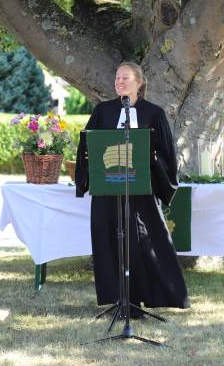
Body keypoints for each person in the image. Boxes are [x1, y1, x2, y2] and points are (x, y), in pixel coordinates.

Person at [75, 61, 190, 315]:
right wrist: (85, 177)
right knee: (110, 240)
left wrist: (149, 159)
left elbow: (167, 154)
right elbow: (87, 146)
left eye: (125, 78)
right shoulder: (103, 111)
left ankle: (144, 296)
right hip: (108, 190)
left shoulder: (154, 113)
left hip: (141, 191)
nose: (120, 82)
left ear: (139, 83)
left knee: (143, 241)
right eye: (117, 78)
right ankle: (118, 298)